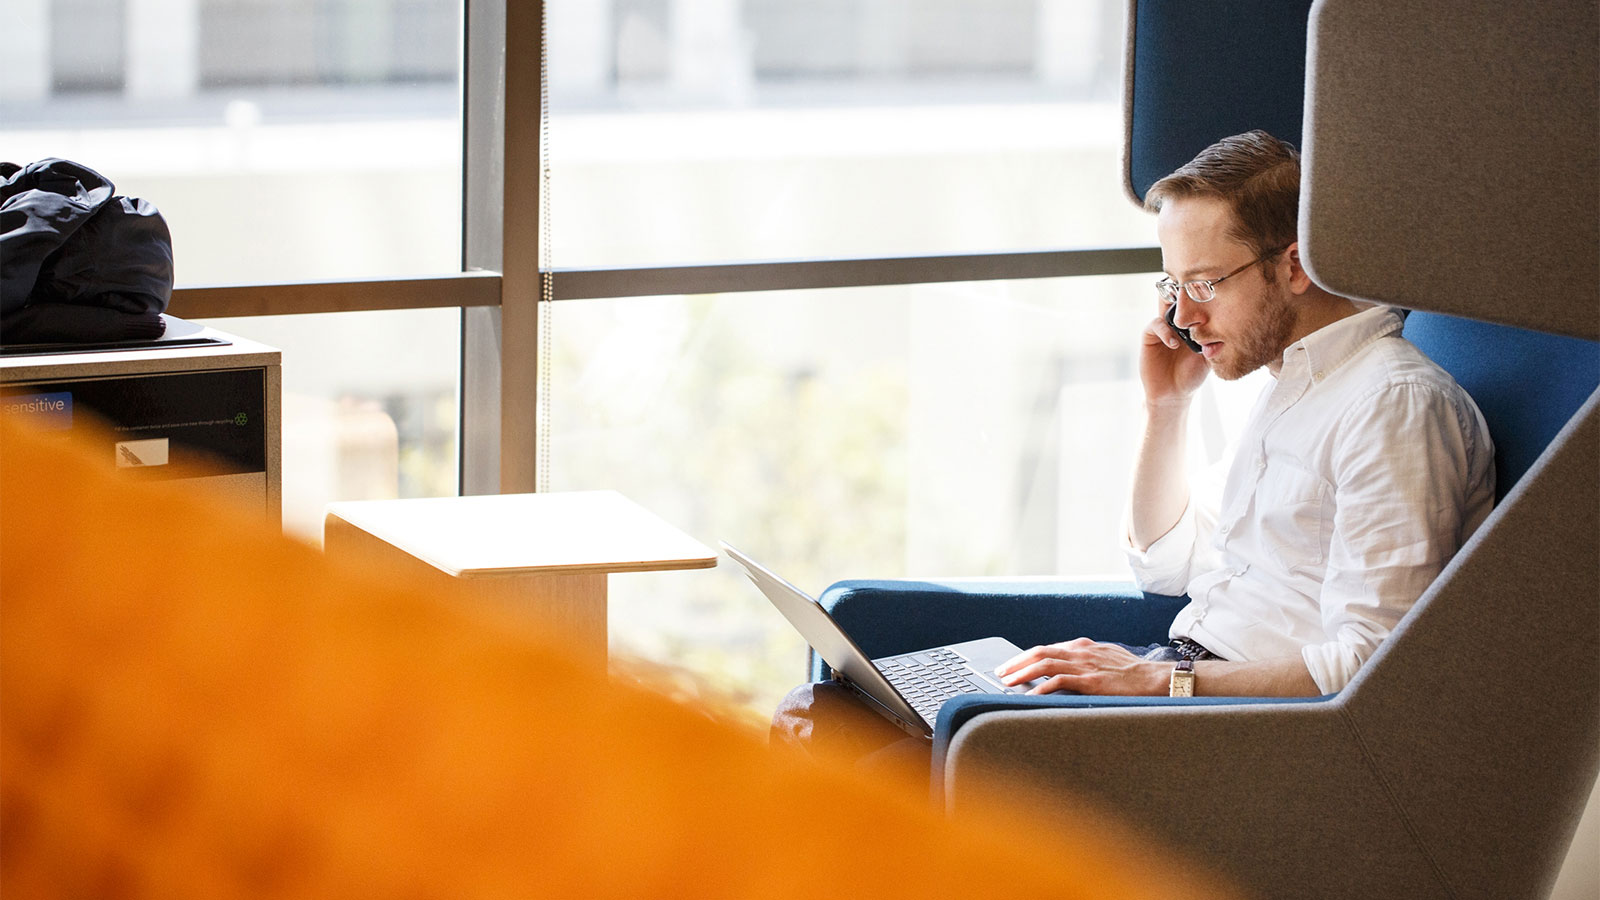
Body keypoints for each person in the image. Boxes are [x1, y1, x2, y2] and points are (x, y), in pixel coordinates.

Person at [772, 130, 1494, 760]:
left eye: (1205, 283)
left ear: (1295, 265)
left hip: (1244, 734)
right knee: (821, 714)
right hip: (1183, 683)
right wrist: (1168, 406)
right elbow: (1165, 566)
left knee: (860, 763)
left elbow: (1371, 665)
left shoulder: (1392, 405)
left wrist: (1157, 681)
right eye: (1172, 285)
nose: (1182, 316)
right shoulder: (1290, 382)